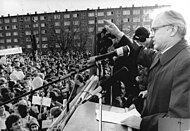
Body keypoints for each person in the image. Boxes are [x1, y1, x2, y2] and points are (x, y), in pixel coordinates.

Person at [104, 9, 190, 131]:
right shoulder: (164, 54)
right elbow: (139, 53)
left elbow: (179, 123)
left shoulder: (186, 62)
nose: (151, 35)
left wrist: (142, 123)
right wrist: (120, 35)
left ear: (172, 30)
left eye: (155, 29)